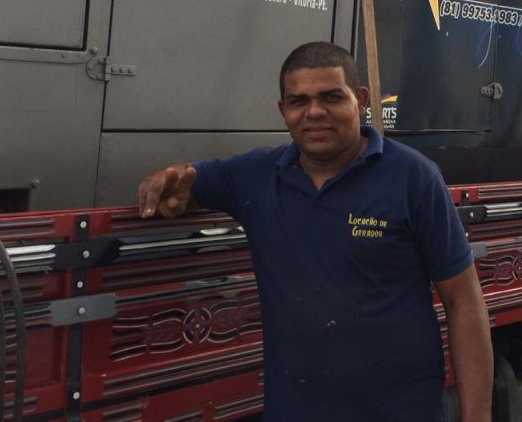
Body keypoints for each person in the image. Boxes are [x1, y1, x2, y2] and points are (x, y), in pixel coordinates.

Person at [138, 41, 493, 422]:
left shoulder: (413, 177)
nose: (314, 112)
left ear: (360, 100)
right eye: (298, 101)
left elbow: (463, 302)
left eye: (331, 97)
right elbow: (187, 180)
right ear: (283, 110)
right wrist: (167, 183)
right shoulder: (255, 176)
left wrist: (477, 417)